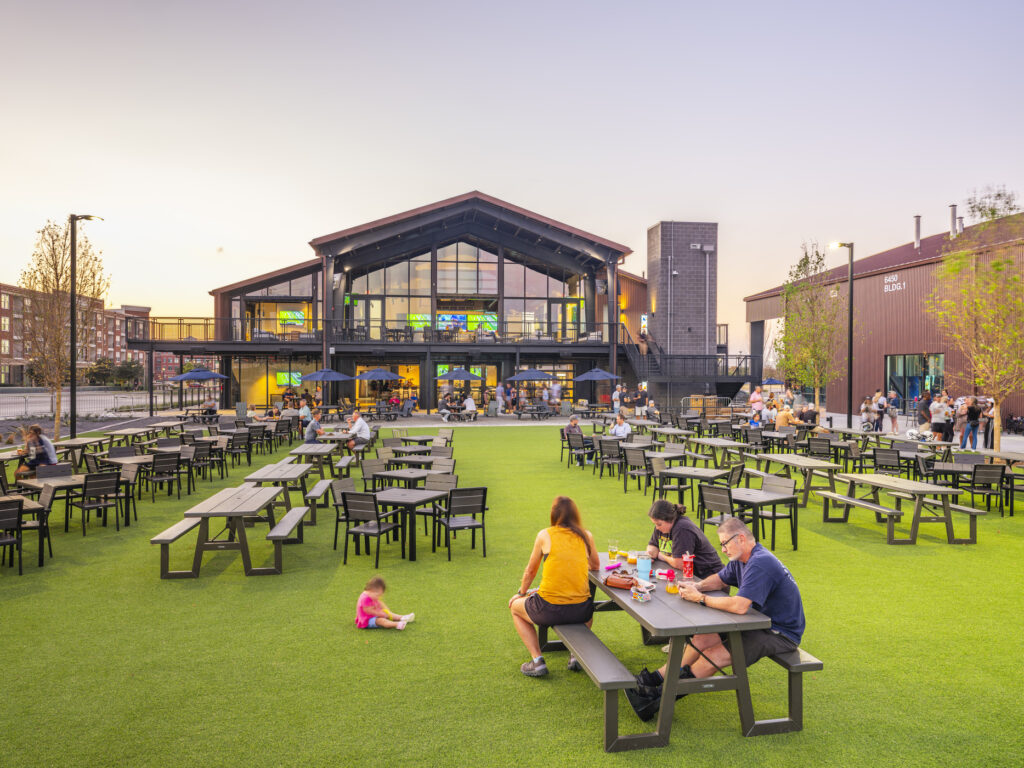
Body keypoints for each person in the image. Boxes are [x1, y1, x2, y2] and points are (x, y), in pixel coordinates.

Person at [628, 516, 805, 720]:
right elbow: (720, 579)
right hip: (756, 622)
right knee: (702, 638)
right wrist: (698, 586)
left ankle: (656, 699)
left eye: (724, 544)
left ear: (740, 538)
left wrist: (701, 598)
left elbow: (739, 606)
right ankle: (655, 679)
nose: (722, 549)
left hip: (778, 631)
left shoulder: (760, 563)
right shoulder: (742, 558)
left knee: (714, 655)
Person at [508, 496, 600, 677]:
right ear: (575, 514)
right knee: (588, 611)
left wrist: (521, 593)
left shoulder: (545, 535)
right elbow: (595, 566)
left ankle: (537, 661)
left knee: (514, 608)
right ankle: (575, 654)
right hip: (581, 610)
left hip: (548, 609)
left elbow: (530, 572)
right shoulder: (586, 535)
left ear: (553, 514)